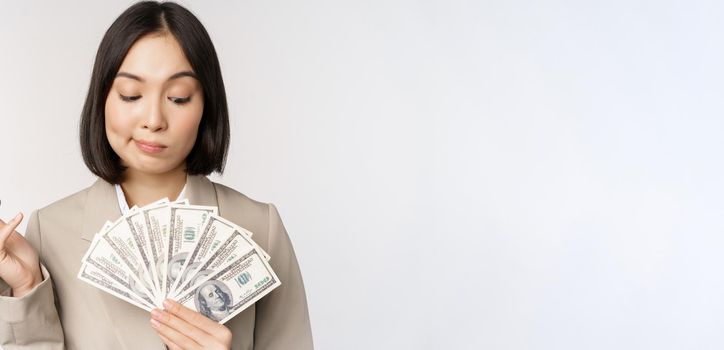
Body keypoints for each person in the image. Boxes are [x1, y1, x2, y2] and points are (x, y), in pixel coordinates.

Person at [0, 2, 313, 349]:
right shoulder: (51, 230)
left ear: (205, 105)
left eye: (178, 98)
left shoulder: (260, 227)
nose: (153, 119)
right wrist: (27, 287)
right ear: (103, 98)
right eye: (130, 95)